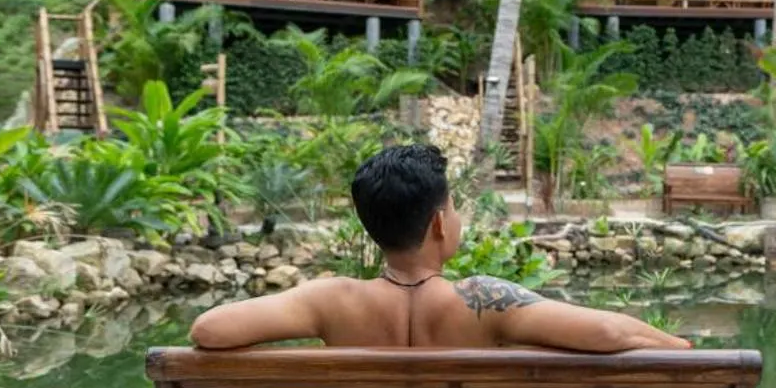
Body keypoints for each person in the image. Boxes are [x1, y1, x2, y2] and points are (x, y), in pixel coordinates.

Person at [190, 143, 689, 351]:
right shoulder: (483, 299)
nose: (457, 217)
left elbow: (209, 329)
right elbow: (607, 331)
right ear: (437, 223)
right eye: (454, 208)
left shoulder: (331, 300)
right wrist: (677, 347)